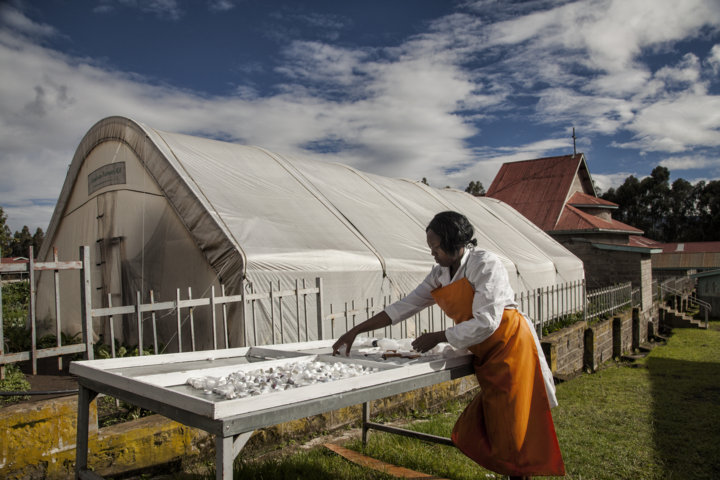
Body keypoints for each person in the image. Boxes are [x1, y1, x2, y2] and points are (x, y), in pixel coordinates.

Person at [332, 211, 565, 479]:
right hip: (484, 350)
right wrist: (356, 330)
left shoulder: (485, 264)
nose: (433, 253)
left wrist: (440, 336)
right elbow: (406, 305)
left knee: (516, 426)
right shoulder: (440, 273)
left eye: (436, 247)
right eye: (431, 247)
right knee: (499, 426)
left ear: (455, 242)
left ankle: (520, 474)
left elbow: (487, 321)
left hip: (510, 345)